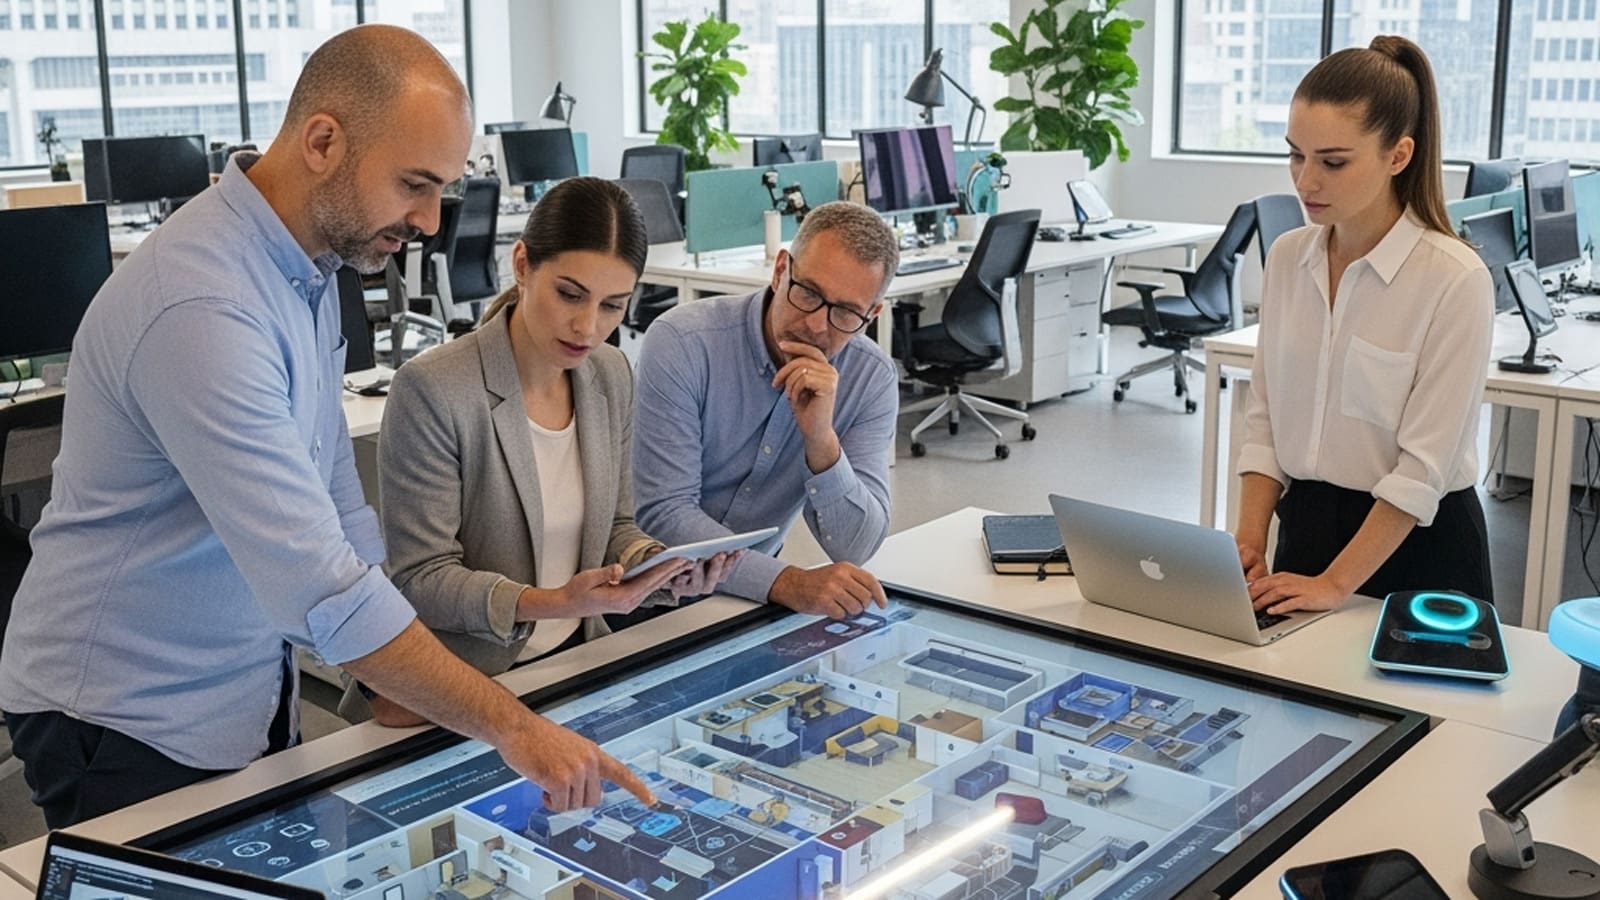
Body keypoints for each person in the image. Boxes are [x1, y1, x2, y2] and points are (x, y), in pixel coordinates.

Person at [0, 25, 651, 828]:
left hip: (244, 681)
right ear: (321, 141)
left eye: (442, 187)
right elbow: (320, 584)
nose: (430, 219)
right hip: (122, 711)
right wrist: (513, 728)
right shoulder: (203, 304)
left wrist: (394, 673)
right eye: (414, 184)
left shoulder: (306, 271)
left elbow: (338, 503)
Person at [361, 177, 735, 725]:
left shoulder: (610, 374)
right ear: (522, 264)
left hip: (574, 666)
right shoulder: (435, 388)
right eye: (570, 294)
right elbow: (421, 580)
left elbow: (617, 525)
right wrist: (556, 601)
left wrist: (652, 566)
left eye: (613, 306)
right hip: (461, 687)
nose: (589, 327)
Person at [1235, 35, 1494, 616]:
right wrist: (1250, 540)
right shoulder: (1286, 257)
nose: (1305, 181)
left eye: (1332, 162)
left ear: (1397, 156)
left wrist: (1335, 584)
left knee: (1414, 708)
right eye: (1295, 155)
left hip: (1418, 548)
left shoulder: (1454, 279)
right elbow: (1266, 422)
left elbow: (1422, 470)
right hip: (1304, 531)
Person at [633, 201, 899, 619]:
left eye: (845, 313)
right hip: (643, 593)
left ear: (871, 316)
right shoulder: (683, 342)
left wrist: (821, 441)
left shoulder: (871, 379)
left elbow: (856, 546)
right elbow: (665, 514)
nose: (815, 326)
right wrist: (786, 581)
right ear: (780, 270)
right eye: (808, 293)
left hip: (748, 603)